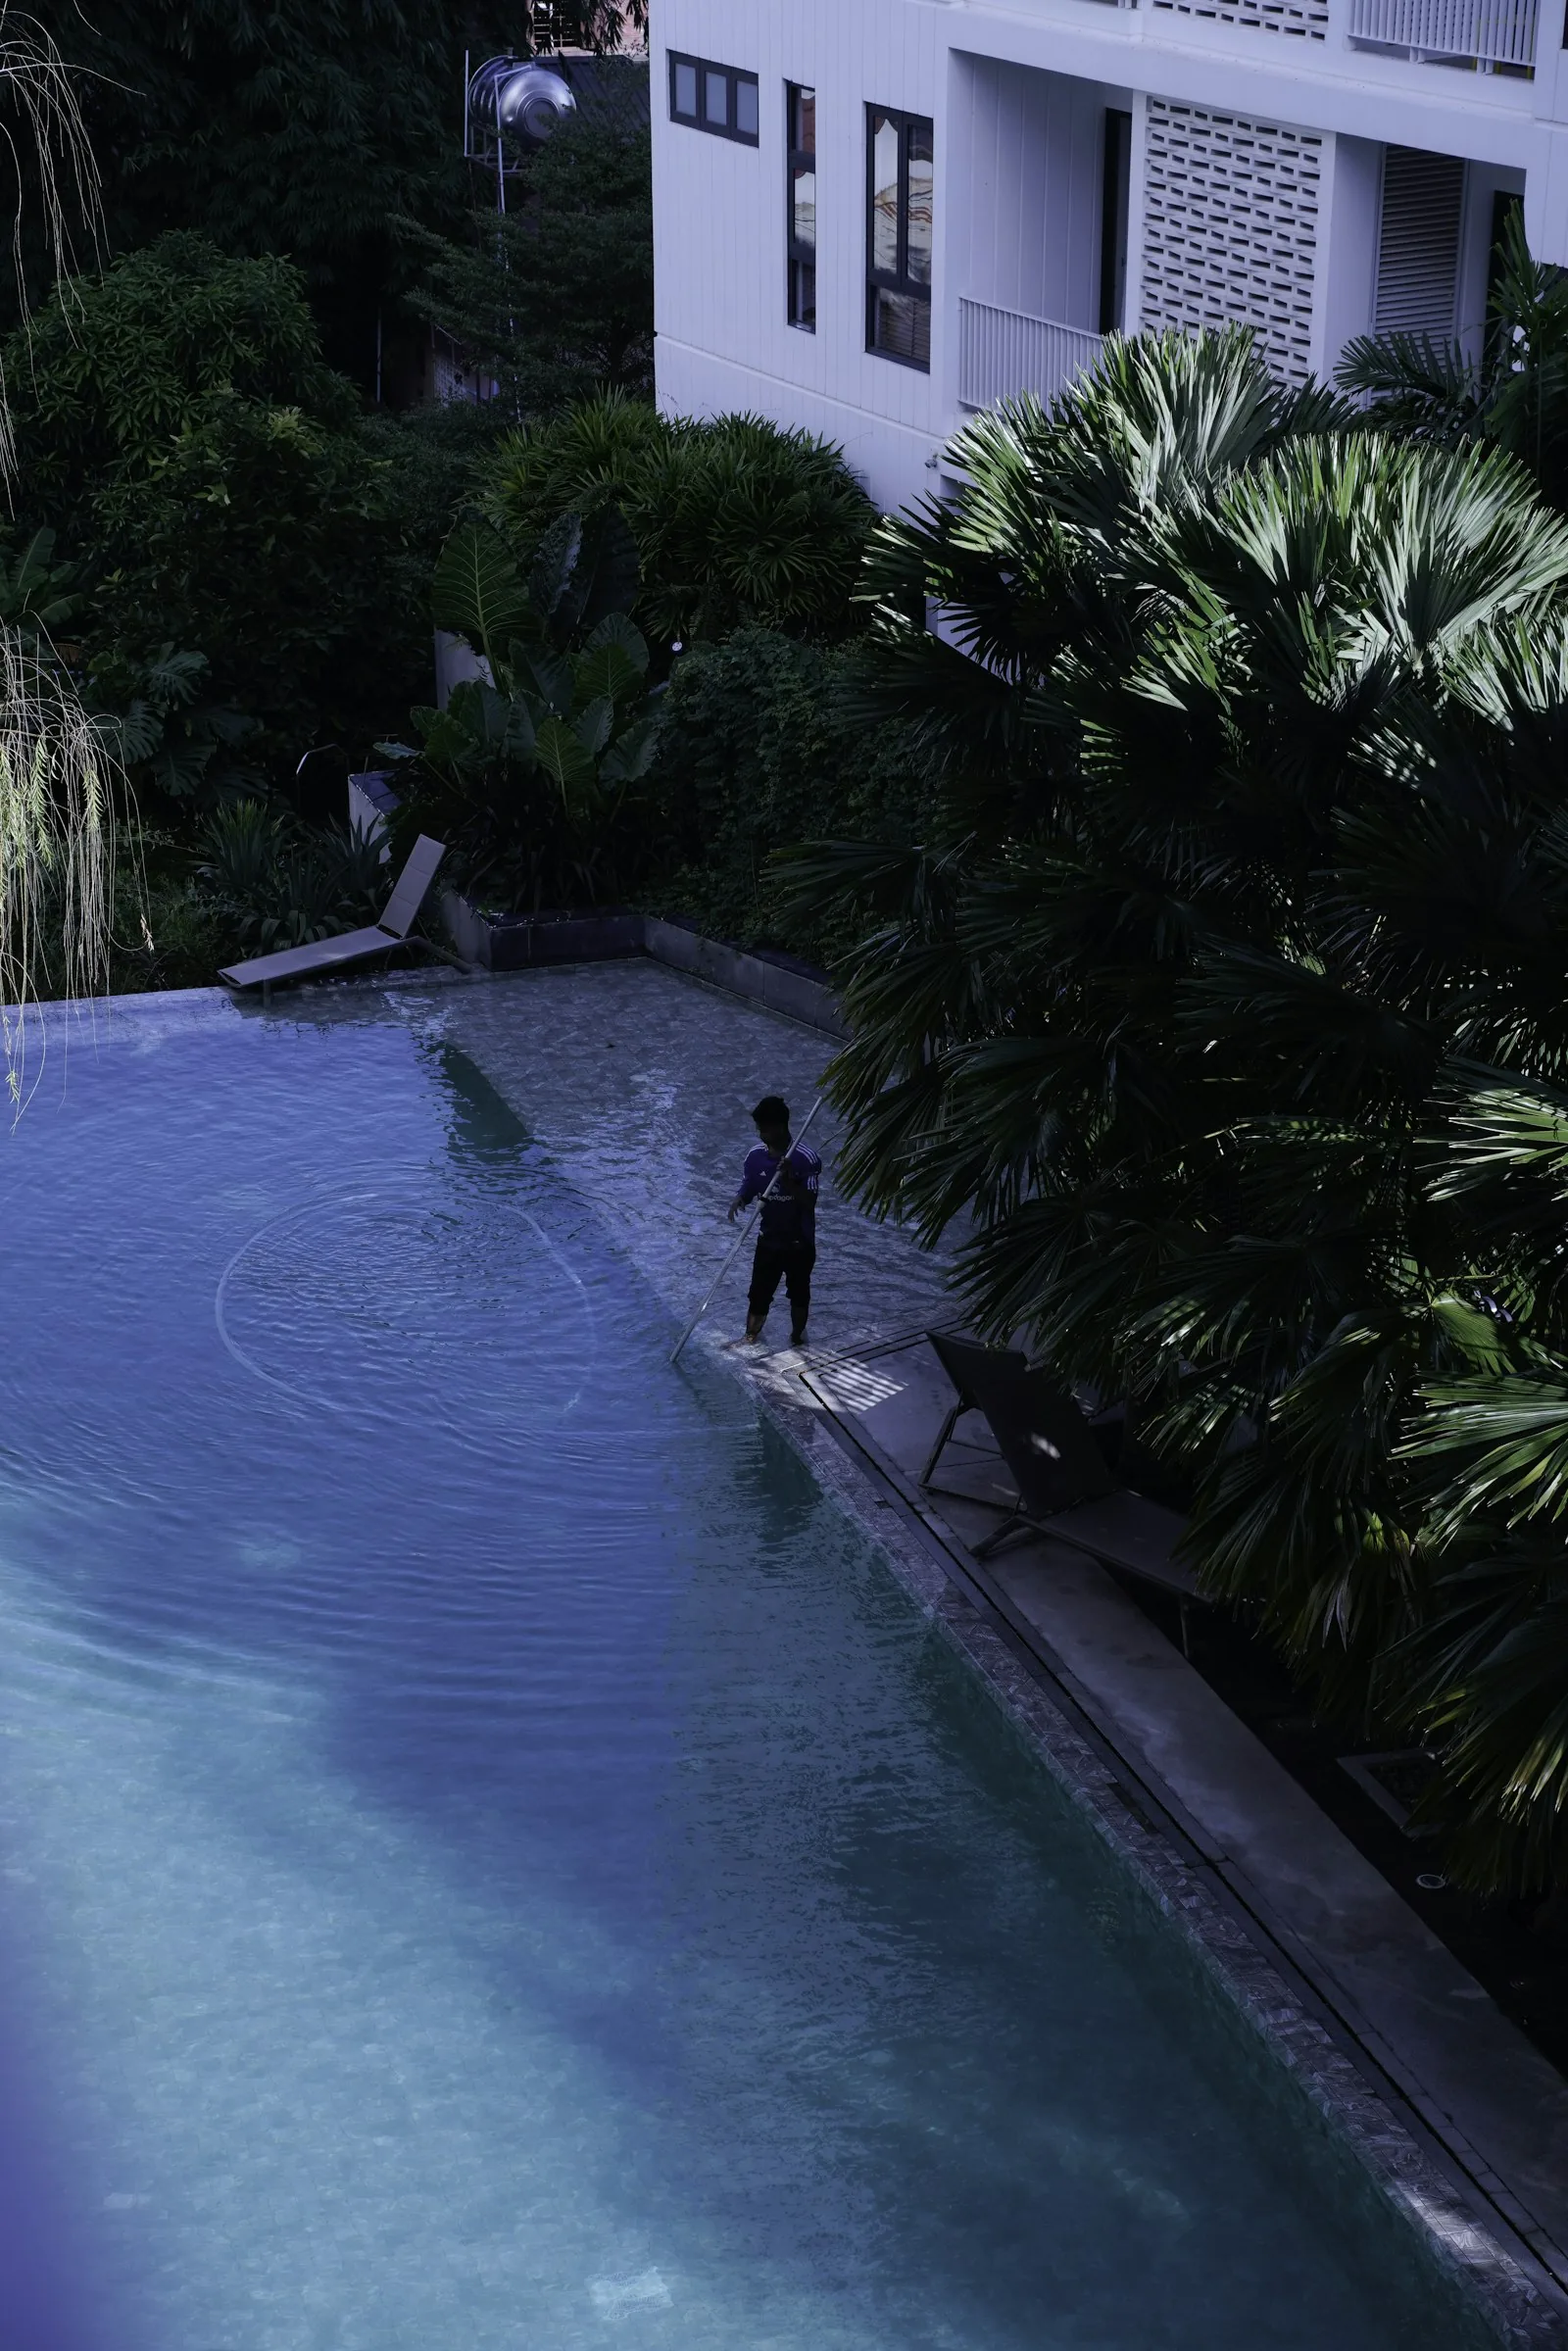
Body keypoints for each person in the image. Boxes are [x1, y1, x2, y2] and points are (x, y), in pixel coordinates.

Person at [728, 1094, 821, 1347]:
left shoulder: (806, 1158)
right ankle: (750, 1338)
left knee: (799, 1296)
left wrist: (788, 1180)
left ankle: (797, 1338)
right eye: (759, 1129)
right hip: (767, 1239)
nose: (761, 1135)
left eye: (765, 1130)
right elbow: (751, 1183)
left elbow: (809, 1202)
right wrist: (741, 1198)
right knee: (758, 1294)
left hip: (798, 1242)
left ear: (781, 1127)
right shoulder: (754, 1156)